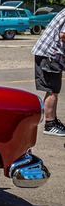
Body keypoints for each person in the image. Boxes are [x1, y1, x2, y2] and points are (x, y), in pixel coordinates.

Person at [32, 8, 65, 136]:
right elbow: (63, 35)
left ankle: (53, 122)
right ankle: (50, 124)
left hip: (49, 54)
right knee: (52, 89)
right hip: (50, 55)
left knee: (53, 89)